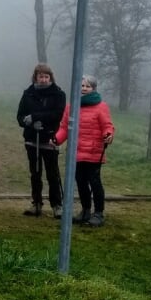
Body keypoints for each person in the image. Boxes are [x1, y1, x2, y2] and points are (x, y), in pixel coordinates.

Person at [54, 75, 114, 227]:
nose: (84, 88)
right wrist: (56, 139)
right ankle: (85, 210)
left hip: (94, 151)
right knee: (80, 182)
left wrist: (108, 134)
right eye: (82, 86)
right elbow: (64, 127)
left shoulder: (101, 106)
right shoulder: (71, 106)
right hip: (76, 151)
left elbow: (107, 125)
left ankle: (99, 213)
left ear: (93, 88)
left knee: (95, 182)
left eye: (87, 86)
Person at [16, 63, 67, 219]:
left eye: (46, 77)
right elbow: (20, 116)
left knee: (53, 174)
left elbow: (58, 114)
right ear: (35, 77)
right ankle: (36, 203)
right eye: (41, 76)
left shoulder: (58, 94)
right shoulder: (28, 93)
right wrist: (27, 122)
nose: (44, 80)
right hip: (32, 139)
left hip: (50, 139)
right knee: (35, 173)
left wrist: (37, 117)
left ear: (50, 77)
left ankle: (57, 205)